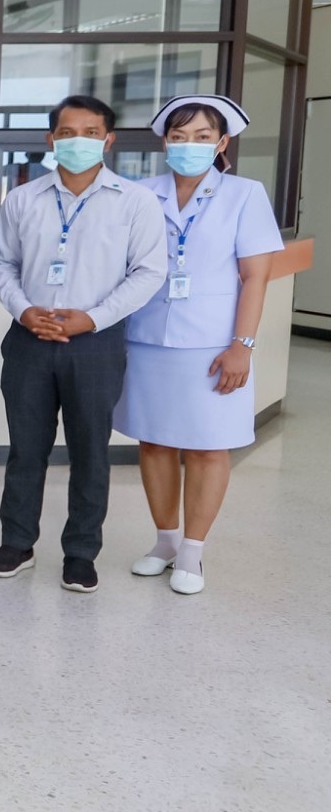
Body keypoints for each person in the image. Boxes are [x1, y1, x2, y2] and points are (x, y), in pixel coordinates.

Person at [0, 94, 166, 592]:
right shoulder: (23, 199)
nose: (77, 141)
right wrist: (24, 310)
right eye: (66, 133)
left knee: (90, 452)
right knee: (26, 450)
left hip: (96, 344)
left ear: (108, 140)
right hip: (30, 340)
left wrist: (93, 319)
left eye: (90, 132)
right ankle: (16, 543)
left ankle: (81, 553)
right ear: (51, 140)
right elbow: (2, 263)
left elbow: (148, 272)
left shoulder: (134, 201)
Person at [114, 95, 284, 595]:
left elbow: (255, 278)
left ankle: (193, 551)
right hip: (146, 338)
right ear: (165, 142)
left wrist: (242, 345)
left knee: (209, 447)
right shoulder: (140, 193)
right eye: (179, 136)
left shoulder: (244, 195)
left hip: (213, 344)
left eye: (202, 136)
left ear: (222, 142)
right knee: (154, 442)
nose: (189, 145)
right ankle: (165, 542)